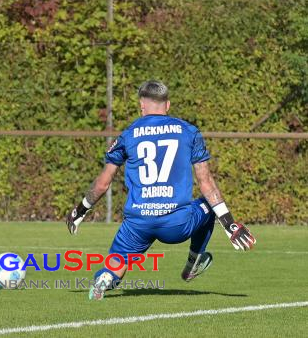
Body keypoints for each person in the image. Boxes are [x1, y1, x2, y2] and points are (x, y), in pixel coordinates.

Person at [66, 80, 256, 300]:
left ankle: (105, 279)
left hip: (138, 223)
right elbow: (207, 183)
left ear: (142, 105)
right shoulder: (188, 131)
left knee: (116, 264)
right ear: (167, 105)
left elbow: (102, 183)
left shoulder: (128, 135)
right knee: (206, 205)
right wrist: (230, 225)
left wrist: (79, 210)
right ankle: (193, 262)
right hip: (177, 224)